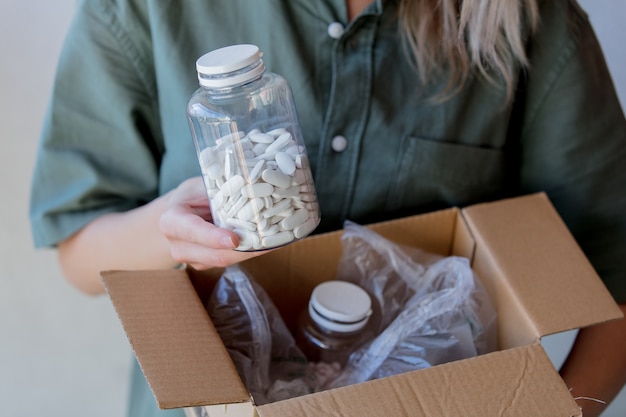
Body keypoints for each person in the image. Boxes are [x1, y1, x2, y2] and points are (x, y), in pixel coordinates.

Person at [29, 0, 626, 416]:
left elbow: (616, 272)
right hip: (209, 399)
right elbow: (79, 248)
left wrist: (555, 410)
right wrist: (170, 233)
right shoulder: (148, 8)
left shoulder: (529, 19)